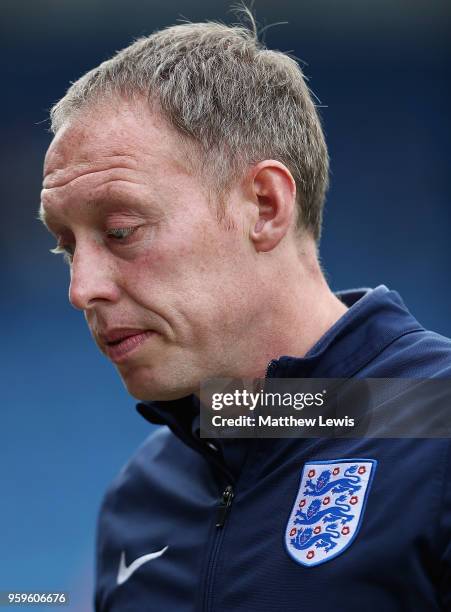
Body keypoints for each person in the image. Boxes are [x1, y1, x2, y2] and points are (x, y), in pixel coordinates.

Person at [40, 15, 451, 612]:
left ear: (264, 206)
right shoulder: (140, 496)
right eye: (69, 247)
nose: (82, 289)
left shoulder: (436, 419)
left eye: (121, 231)